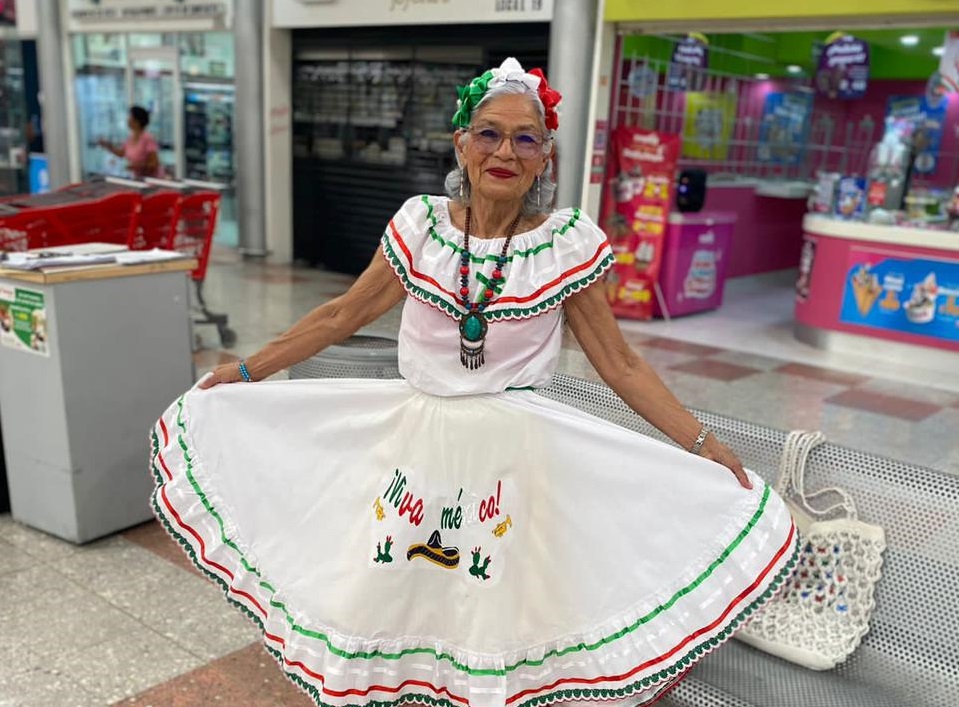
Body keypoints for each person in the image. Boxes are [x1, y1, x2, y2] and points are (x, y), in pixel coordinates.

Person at [151, 59, 797, 707]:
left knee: (492, 605)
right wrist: (241, 371)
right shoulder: (419, 227)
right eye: (488, 133)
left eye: (525, 138)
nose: (505, 151)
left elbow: (619, 363)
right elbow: (341, 314)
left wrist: (700, 438)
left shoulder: (564, 245)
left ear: (545, 158)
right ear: (460, 142)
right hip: (415, 446)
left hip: (511, 463)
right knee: (397, 586)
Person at [98, 105, 161, 179]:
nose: (127, 119)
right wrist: (107, 145)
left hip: (151, 180)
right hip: (138, 178)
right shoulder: (130, 138)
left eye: (130, 117)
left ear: (137, 121)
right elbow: (121, 153)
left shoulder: (147, 138)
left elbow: (154, 164)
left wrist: (139, 166)